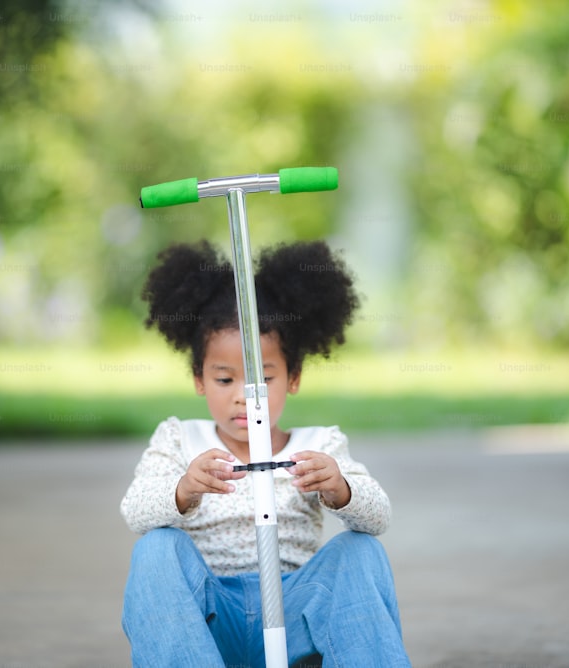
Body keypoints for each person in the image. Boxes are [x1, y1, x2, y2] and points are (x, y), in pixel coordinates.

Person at [120, 239, 411, 667]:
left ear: (293, 378)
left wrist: (341, 489)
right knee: (155, 550)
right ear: (199, 379)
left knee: (361, 551)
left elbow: (379, 517)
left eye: (264, 379)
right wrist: (182, 490)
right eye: (224, 380)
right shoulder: (180, 439)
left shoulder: (321, 443)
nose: (244, 398)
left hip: (296, 615)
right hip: (209, 625)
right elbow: (134, 511)